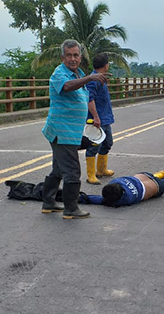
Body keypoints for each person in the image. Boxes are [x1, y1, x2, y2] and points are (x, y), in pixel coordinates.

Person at [40, 39, 108, 219]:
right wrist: (90, 77)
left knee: (58, 169)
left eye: (76, 55)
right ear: (63, 57)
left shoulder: (78, 73)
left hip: (72, 131)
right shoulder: (59, 74)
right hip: (62, 132)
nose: (72, 59)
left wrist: (92, 118)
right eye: (69, 55)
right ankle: (71, 209)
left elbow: (84, 98)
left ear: (80, 57)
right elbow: (67, 87)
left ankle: (48, 203)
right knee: (72, 171)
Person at [85, 53, 116, 185]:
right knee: (93, 146)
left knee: (107, 143)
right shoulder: (94, 79)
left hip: (105, 118)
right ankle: (90, 174)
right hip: (97, 120)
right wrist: (96, 117)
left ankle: (101, 169)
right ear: (106, 65)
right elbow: (89, 98)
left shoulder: (101, 78)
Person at [100, 171, 164, 207]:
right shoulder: (115, 181)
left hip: (156, 185)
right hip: (143, 175)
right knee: (152, 176)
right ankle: (158, 174)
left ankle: (161, 176)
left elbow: (101, 200)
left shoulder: (127, 199)